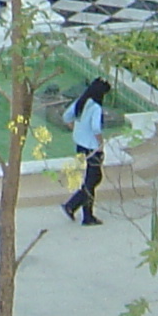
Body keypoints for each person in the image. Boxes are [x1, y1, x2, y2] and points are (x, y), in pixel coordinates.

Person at [61, 76, 111, 226]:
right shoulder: (96, 107)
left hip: (80, 143)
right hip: (91, 146)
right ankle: (81, 212)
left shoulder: (81, 101)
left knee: (93, 178)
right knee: (93, 179)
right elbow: (96, 128)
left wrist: (76, 129)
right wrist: (101, 144)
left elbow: (66, 116)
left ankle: (75, 206)